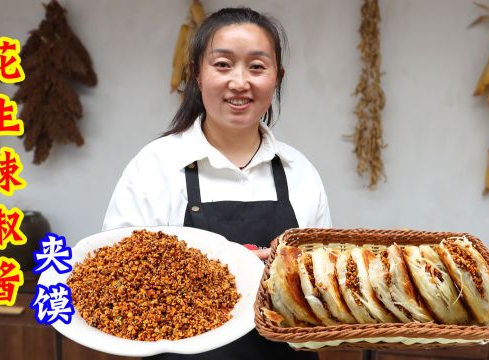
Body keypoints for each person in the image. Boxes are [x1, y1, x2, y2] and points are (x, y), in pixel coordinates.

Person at [103, 7, 330, 360]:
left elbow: (321, 293)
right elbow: (114, 287)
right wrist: (222, 269)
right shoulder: (155, 167)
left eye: (257, 66)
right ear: (197, 74)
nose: (240, 82)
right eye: (222, 64)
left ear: (277, 77)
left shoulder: (300, 172)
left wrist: (290, 275)